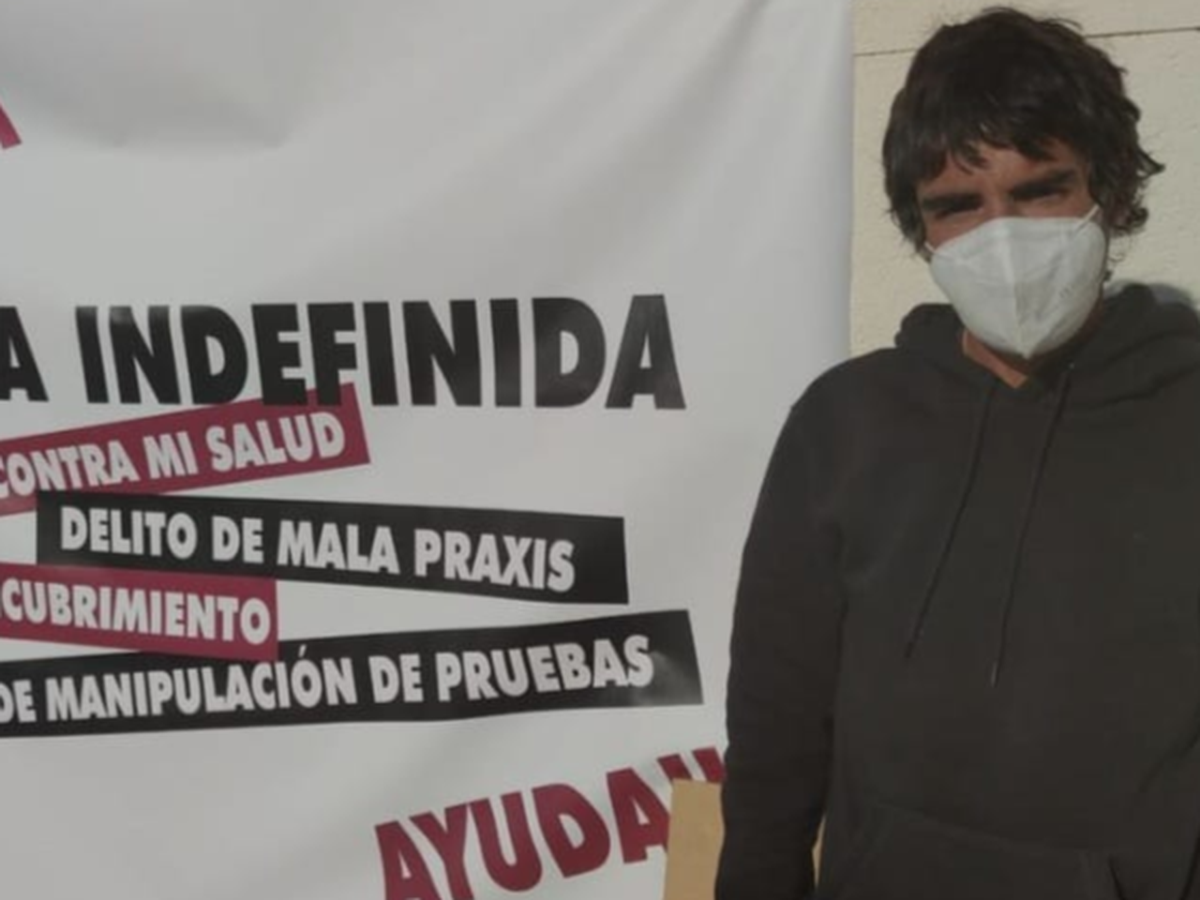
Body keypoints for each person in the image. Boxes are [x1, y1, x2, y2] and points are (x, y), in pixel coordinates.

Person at [717, 8, 1200, 900]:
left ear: (1110, 191)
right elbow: (775, 735)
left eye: (1040, 191)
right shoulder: (845, 426)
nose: (1001, 237)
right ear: (921, 228)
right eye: (957, 206)